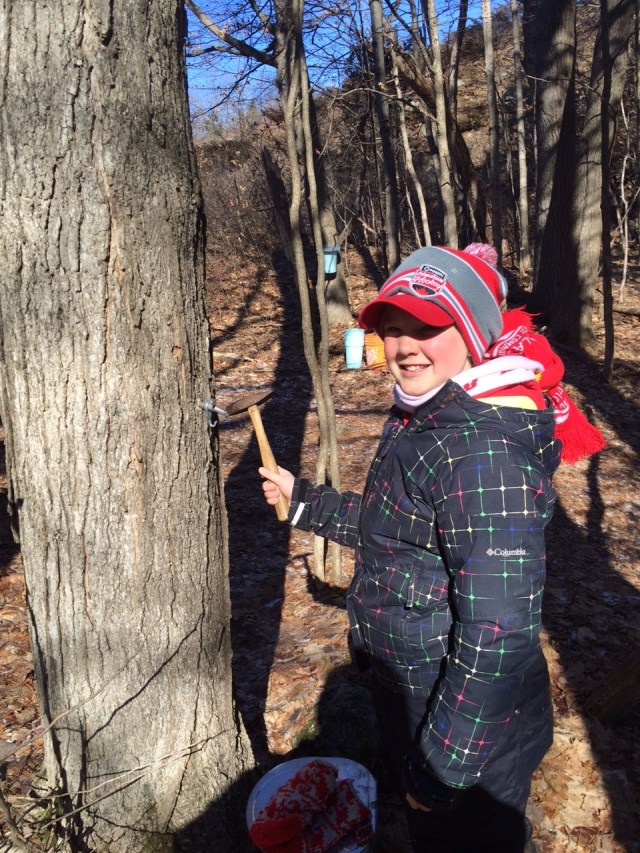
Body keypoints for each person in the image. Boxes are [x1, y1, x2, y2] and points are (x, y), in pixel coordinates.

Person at [259, 245, 605, 853]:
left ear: (472, 333)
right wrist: (306, 502)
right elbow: (396, 529)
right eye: (393, 329)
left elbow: (498, 634)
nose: (404, 345)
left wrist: (441, 770)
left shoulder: (481, 450)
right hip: (423, 692)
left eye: (428, 326)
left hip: (466, 725)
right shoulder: (432, 415)